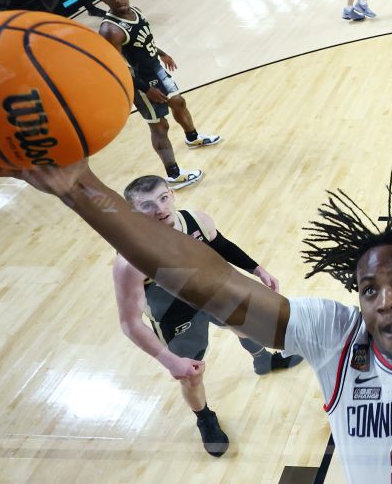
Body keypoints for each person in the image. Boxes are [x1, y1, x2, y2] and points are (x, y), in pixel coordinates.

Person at [0, 156, 392, 482]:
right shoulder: (330, 332)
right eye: (368, 287)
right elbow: (203, 279)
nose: (383, 298)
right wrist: (82, 189)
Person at [115, 174, 302, 456]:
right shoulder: (131, 259)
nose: (161, 209)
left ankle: (263, 360)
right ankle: (204, 418)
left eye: (164, 198)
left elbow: (221, 245)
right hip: (175, 318)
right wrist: (168, 360)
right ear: (133, 212)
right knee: (191, 376)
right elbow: (129, 324)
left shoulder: (196, 220)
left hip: (213, 293)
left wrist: (257, 269)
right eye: (147, 205)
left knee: (245, 325)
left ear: (172, 195)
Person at [97, 0, 219, 190]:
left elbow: (145, 41)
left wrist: (162, 54)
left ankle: (193, 138)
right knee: (159, 126)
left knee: (179, 102)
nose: (117, 0)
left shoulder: (135, 11)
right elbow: (118, 67)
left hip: (156, 69)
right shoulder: (110, 30)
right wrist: (145, 89)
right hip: (141, 82)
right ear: (103, 0)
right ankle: (174, 175)